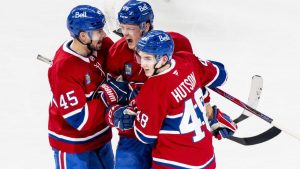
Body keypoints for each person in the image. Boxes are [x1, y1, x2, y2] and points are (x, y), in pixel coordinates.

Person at [104, 1, 200, 168]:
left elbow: (194, 81)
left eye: (131, 28)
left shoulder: (176, 44)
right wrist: (114, 111)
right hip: (133, 134)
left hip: (168, 135)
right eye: (123, 27)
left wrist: (207, 107)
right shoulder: (117, 53)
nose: (125, 33)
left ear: (145, 26)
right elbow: (109, 92)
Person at [129, 30, 237, 168]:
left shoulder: (152, 90)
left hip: (173, 163)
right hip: (207, 160)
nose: (142, 64)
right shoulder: (188, 60)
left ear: (163, 59)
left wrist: (134, 108)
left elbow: (145, 136)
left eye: (148, 58)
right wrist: (209, 115)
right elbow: (222, 75)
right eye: (141, 57)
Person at [47, 5, 121, 169]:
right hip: (72, 144)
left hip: (100, 137)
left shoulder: (100, 45)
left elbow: (121, 65)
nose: (103, 35)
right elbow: (78, 119)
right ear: (83, 36)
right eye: (98, 31)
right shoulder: (64, 68)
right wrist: (110, 96)